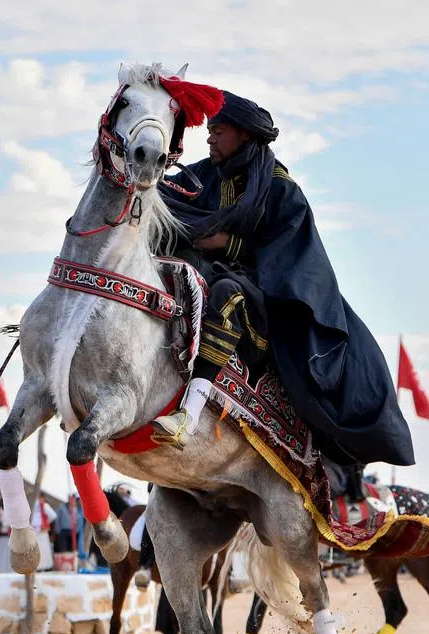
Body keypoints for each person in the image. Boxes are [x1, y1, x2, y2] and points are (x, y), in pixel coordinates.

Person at [153, 90, 413, 485]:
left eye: (218, 131)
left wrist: (229, 245)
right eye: (209, 132)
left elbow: (292, 255)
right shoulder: (202, 175)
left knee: (227, 293)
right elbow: (163, 199)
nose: (209, 139)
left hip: (264, 295)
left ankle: (188, 410)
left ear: (243, 135)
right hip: (202, 271)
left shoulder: (281, 190)